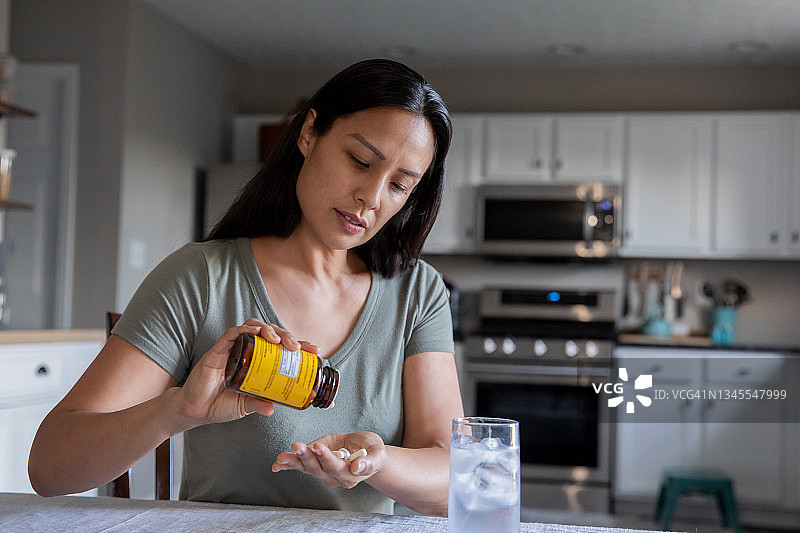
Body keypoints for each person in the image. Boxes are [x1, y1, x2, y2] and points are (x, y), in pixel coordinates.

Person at [28, 58, 463, 516]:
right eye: (360, 161)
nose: (371, 198)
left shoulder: (417, 293)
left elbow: (450, 483)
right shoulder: (201, 278)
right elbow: (50, 468)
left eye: (399, 185)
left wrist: (378, 463)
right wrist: (176, 410)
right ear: (309, 133)